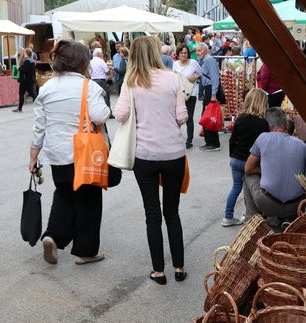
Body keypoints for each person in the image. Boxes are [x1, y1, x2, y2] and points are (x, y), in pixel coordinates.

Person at [29, 40, 110, 267]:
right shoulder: (89, 87)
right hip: (84, 153)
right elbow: (100, 115)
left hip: (56, 154)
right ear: (83, 62)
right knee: (89, 201)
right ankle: (86, 251)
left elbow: (39, 126)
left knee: (64, 195)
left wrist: (33, 156)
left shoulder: (47, 88)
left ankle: (52, 236)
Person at [115, 36, 188, 285]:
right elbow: (182, 117)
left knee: (152, 213)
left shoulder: (131, 81)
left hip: (145, 155)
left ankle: (159, 271)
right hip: (174, 154)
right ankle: (179, 267)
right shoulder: (173, 78)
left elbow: (120, 114)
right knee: (172, 211)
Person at [242, 107, 306, 223]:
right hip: (296, 205)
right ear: (286, 125)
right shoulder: (301, 145)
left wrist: (265, 170)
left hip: (268, 203)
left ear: (269, 126)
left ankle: (252, 220)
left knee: (247, 176)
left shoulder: (263, 138)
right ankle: (287, 219)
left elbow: (248, 169)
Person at [224, 88, 269, 227]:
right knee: (251, 188)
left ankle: (227, 217)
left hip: (236, 159)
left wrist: (232, 155)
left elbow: (232, 141)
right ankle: (249, 214)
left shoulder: (240, 119)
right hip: (252, 162)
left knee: (235, 188)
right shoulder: (263, 124)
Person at [172, 44, 202, 150]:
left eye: (185, 53)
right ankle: (176, 138)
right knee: (177, 117)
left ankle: (189, 141)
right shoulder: (175, 64)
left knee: (189, 117)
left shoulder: (193, 63)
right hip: (178, 94)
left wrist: (194, 77)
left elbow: (201, 73)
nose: (184, 55)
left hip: (191, 94)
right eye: (182, 53)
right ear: (178, 54)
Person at [197, 43, 222, 151]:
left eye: (199, 50)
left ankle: (213, 143)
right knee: (207, 115)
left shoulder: (209, 60)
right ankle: (209, 142)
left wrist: (213, 94)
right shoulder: (205, 60)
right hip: (208, 90)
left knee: (208, 116)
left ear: (205, 51)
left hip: (210, 90)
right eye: (197, 51)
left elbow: (215, 78)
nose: (197, 53)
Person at [13, 49, 37, 113]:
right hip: (30, 80)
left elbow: (25, 70)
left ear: (25, 53)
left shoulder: (27, 61)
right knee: (32, 94)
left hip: (25, 81)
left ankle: (19, 108)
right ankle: (42, 104)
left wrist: (19, 68)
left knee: (21, 94)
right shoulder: (32, 61)